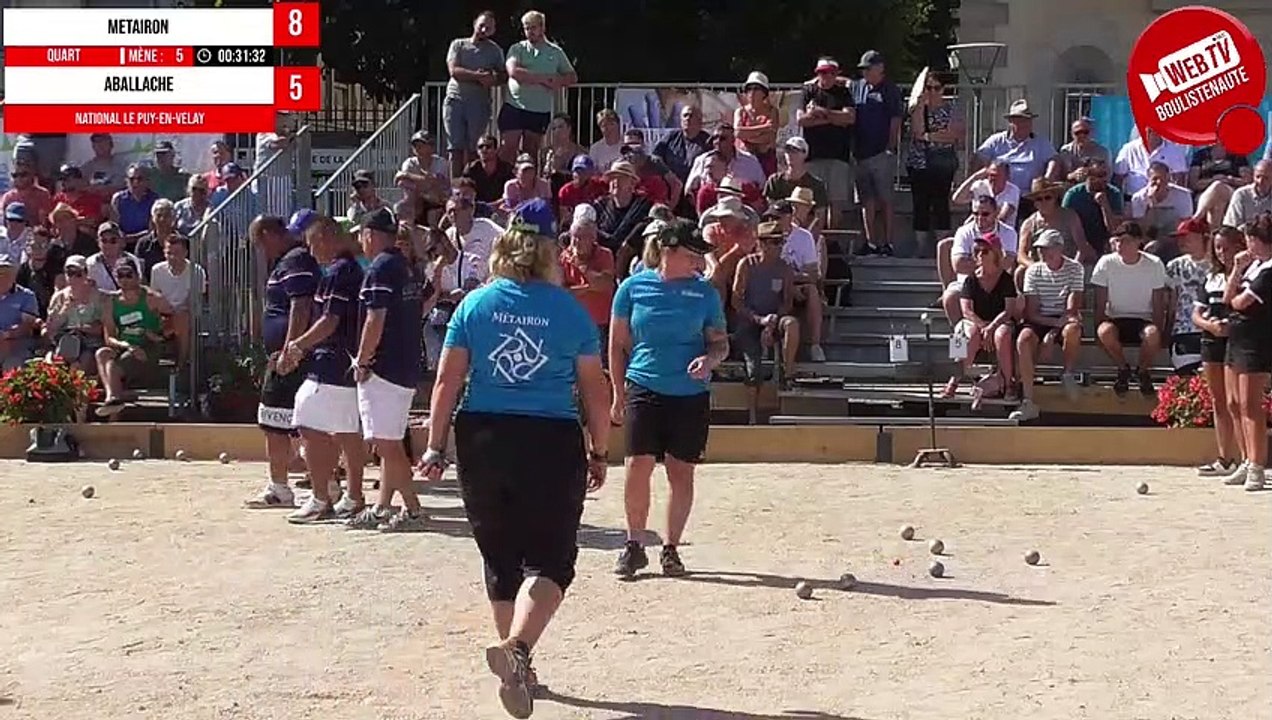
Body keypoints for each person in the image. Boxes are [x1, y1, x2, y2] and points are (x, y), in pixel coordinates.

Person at [417, 197, 610, 718]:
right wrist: (600, 449)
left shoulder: (475, 305)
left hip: (482, 435)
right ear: (551, 249)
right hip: (548, 437)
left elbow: (446, 381)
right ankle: (519, 651)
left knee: (499, 558)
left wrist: (435, 445)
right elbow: (595, 389)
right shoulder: (570, 310)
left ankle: (518, 668)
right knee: (552, 560)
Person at [610, 219, 729, 579]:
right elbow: (616, 345)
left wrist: (709, 359)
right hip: (644, 384)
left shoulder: (705, 293)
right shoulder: (632, 288)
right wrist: (618, 392)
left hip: (690, 393)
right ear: (669, 251)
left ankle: (671, 548)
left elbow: (720, 343)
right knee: (637, 465)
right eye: (694, 255)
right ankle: (634, 544)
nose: (699, 263)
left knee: (681, 471)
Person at [279, 216, 370, 523]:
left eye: (313, 243)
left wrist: (297, 346)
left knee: (306, 421)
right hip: (346, 361)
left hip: (332, 361)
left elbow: (329, 320)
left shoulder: (338, 272)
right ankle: (353, 495)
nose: (311, 250)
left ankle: (321, 497)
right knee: (346, 430)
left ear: (327, 238)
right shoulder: (352, 270)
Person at [347, 207, 428, 531]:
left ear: (370, 235)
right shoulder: (404, 267)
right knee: (389, 440)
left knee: (386, 443)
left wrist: (363, 360)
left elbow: (375, 319)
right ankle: (383, 506)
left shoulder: (380, 268)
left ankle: (412, 509)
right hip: (405, 363)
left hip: (385, 367)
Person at [244, 215, 319, 509]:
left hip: (291, 358)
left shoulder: (295, 260)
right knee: (293, 422)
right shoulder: (290, 260)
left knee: (276, 421)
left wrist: (291, 350)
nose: (261, 250)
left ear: (267, 234)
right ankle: (323, 486)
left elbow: (301, 306)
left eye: (259, 243)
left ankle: (281, 488)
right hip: (287, 354)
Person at [1220, 212, 1272, 491]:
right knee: (1233, 402)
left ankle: (1257, 465)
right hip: (1237, 339)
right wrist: (1237, 269)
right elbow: (1229, 297)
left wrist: (1237, 281)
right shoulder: (1253, 267)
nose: (1247, 245)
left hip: (1256, 340)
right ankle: (1245, 459)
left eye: (1251, 239)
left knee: (1251, 405)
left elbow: (1237, 302)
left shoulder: (1269, 270)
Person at [1010, 229, 1086, 422]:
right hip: (1040, 319)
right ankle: (1027, 399)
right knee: (1023, 339)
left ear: (1060, 248)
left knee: (1073, 329)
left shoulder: (1075, 268)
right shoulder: (1033, 271)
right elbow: (1032, 312)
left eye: (1048, 248)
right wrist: (1051, 328)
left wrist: (1052, 333)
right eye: (1041, 249)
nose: (1044, 253)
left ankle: (1067, 373)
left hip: (1063, 319)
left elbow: (1072, 308)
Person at [732, 221, 799, 422]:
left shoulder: (785, 268)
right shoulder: (746, 264)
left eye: (781, 242)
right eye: (775, 242)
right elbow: (736, 300)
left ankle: (787, 374)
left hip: (774, 318)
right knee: (753, 367)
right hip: (750, 320)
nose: (780, 247)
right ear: (762, 244)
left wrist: (773, 320)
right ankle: (753, 417)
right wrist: (759, 320)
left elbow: (788, 301)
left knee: (792, 324)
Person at [1091, 221, 1168, 397]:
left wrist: (1159, 335)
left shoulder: (1154, 264)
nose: (1120, 245)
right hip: (1116, 318)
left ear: (1138, 241)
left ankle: (1142, 370)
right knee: (1105, 331)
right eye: (1117, 241)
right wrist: (1097, 331)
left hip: (1143, 320)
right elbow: (1100, 301)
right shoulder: (1106, 262)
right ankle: (1123, 367)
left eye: (1125, 241)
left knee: (1152, 334)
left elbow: (1158, 303)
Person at [1192, 225, 1243, 478]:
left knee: (1238, 402)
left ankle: (1247, 459)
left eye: (1227, 246)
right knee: (1218, 401)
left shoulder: (1248, 274)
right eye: (1218, 247)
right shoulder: (1210, 277)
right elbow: (1196, 314)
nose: (1222, 252)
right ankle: (1225, 458)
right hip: (1211, 341)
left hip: (1238, 342)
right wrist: (1210, 326)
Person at [92, 256, 173, 417]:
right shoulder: (111, 302)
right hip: (126, 346)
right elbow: (110, 337)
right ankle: (114, 397)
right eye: (120, 275)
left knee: (113, 366)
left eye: (129, 275)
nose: (125, 280)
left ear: (137, 275)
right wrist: (126, 345)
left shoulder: (151, 298)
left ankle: (115, 398)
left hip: (148, 347)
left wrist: (159, 336)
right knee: (102, 353)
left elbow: (173, 321)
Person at [943, 234, 1018, 405]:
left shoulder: (1005, 279)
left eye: (985, 251)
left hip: (999, 321)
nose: (979, 255)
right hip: (975, 321)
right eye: (976, 251)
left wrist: (991, 327)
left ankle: (1008, 384)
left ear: (996, 253)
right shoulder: (971, 279)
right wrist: (984, 327)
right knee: (970, 334)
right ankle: (954, 381)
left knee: (1002, 334)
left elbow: (1008, 310)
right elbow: (966, 311)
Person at [905, 70, 961, 258]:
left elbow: (954, 135)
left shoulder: (952, 108)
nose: (932, 92)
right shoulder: (918, 108)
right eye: (928, 88)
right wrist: (921, 106)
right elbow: (918, 132)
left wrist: (930, 136)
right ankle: (921, 249)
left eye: (936, 88)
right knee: (920, 204)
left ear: (943, 89)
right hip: (919, 162)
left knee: (940, 203)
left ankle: (943, 249)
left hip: (943, 162)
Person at [44, 254, 106, 371]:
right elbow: (50, 329)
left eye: (78, 274)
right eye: (69, 273)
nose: (73, 278)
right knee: (56, 364)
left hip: (91, 342)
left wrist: (82, 328)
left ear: (86, 273)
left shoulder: (100, 297)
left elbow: (104, 328)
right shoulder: (59, 297)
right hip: (65, 341)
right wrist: (65, 309)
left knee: (82, 364)